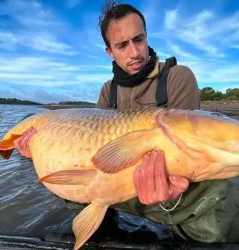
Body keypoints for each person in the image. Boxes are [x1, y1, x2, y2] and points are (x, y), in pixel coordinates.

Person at [14, 1, 239, 243]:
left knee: (224, 194)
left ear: (146, 36)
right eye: (122, 45)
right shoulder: (107, 91)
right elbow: (94, 150)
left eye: (139, 39)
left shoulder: (177, 76)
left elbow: (191, 158)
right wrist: (35, 149)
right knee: (69, 172)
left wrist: (168, 192)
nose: (134, 52)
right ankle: (105, 229)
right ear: (110, 51)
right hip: (113, 186)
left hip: (170, 188)